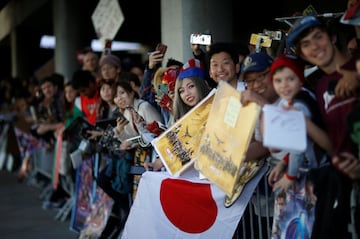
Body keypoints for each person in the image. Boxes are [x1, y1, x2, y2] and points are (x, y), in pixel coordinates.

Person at [286, 15, 359, 239]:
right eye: (306, 44)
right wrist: (303, 123)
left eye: (318, 37)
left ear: (332, 37)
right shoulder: (321, 86)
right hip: (348, 185)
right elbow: (332, 143)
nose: (315, 46)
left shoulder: (356, 67)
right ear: (302, 54)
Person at [266, 53, 331, 238]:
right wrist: (284, 162)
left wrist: (289, 175)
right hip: (319, 167)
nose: (284, 85)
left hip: (316, 173)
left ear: (300, 79)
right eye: (278, 80)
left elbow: (297, 147)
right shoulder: (303, 96)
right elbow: (302, 141)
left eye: (290, 79)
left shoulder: (298, 106)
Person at [96, 80, 162, 238]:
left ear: (132, 92)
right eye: (117, 95)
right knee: (104, 179)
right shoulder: (126, 111)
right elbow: (126, 139)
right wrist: (119, 130)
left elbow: (156, 135)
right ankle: (124, 208)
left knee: (110, 179)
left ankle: (127, 213)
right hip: (137, 155)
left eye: (123, 93)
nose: (120, 98)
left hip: (150, 156)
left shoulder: (143, 107)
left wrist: (129, 140)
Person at [144, 58, 211, 171]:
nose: (187, 94)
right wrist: (159, 163)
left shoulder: (216, 106)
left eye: (191, 86)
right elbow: (179, 148)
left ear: (201, 84)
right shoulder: (181, 117)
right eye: (181, 91)